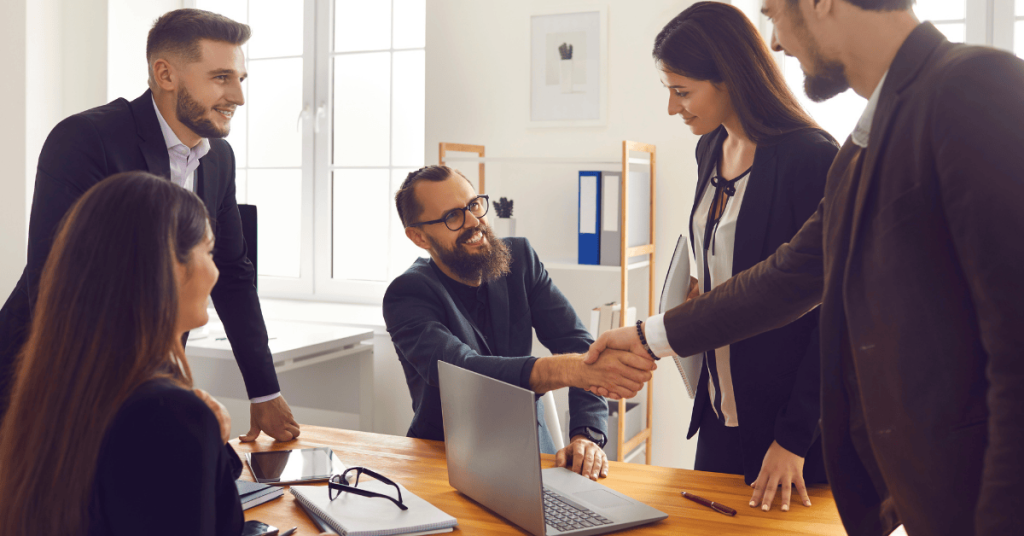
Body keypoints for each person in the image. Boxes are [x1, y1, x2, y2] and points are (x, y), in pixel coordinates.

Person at [587, 0, 1024, 534]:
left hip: (977, 494)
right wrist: (648, 335)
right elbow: (784, 279)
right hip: (920, 496)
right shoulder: (865, 144)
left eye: (774, 14)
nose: (773, 43)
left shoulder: (972, 83)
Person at [0, 8, 299, 442]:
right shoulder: (86, 139)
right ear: (165, 74)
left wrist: (264, 390)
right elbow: (55, 280)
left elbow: (232, 273)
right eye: (221, 78)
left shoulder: (218, 158)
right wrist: (149, 394)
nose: (238, 95)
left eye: (240, 79)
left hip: (143, 384)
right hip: (47, 379)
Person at [652, 1, 838, 513]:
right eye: (669, 90)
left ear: (729, 78)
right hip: (717, 416)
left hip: (790, 437)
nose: (673, 107)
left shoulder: (812, 157)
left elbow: (834, 315)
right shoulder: (709, 148)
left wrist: (795, 437)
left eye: (682, 91)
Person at [0, 172, 243, 535]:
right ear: (170, 267)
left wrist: (213, 441)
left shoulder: (50, 388)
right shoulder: (171, 415)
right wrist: (202, 431)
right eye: (208, 252)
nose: (216, 271)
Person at [384, 166, 658, 480]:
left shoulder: (521, 260)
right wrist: (566, 369)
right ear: (419, 236)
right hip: (445, 462)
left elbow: (580, 346)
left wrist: (586, 436)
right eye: (453, 217)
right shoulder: (407, 294)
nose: (475, 222)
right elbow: (463, 370)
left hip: (532, 451)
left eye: (474, 205)